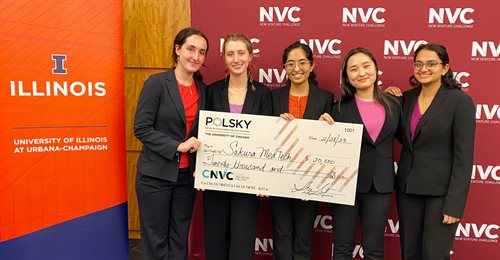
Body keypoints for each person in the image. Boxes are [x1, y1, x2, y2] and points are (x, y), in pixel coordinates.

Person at [387, 43, 476, 259]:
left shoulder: (460, 101)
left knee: (434, 255)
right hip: (408, 189)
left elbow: (464, 158)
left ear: (445, 68)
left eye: (431, 64)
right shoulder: (406, 99)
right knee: (410, 253)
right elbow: (404, 137)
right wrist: (389, 101)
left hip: (441, 194)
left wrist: (455, 204)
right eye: (418, 64)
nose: (423, 69)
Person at [133, 27, 209, 260]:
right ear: (177, 50)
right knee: (156, 240)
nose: (195, 56)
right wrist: (177, 146)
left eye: (202, 52)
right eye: (190, 49)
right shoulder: (157, 83)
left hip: (187, 178)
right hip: (156, 176)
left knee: (179, 238)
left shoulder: (203, 90)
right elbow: (141, 128)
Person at [319, 47, 400, 260]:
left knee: (374, 249)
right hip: (345, 184)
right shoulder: (338, 108)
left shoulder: (395, 104)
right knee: (343, 247)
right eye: (353, 69)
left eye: (366, 66)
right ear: (346, 77)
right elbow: (325, 148)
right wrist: (321, 129)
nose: (361, 73)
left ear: (376, 69)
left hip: (379, 185)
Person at [203, 33, 272, 260]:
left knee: (242, 243)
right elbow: (202, 134)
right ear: (223, 58)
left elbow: (267, 139)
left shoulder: (262, 94)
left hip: (247, 181)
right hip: (215, 179)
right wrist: (200, 170)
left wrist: (264, 178)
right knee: (215, 241)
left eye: (241, 53)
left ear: (250, 56)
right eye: (230, 54)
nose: (236, 59)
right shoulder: (211, 92)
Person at [270, 42, 333, 260]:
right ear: (284, 68)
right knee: (282, 235)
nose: (297, 68)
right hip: (279, 179)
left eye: (302, 62)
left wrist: (328, 123)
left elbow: (329, 143)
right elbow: (266, 137)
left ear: (312, 65)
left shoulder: (325, 98)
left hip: (310, 181)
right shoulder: (274, 97)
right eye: (290, 63)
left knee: (304, 237)